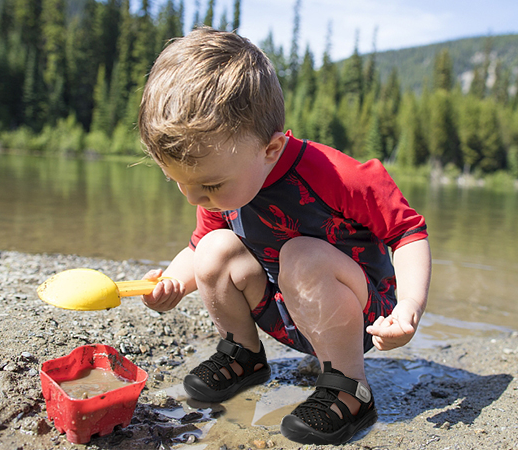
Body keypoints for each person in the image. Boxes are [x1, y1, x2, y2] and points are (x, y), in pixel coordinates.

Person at [137, 27, 431, 446]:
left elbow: (408, 232)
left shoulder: (338, 176)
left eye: (210, 186)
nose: (194, 198)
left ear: (270, 150)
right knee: (213, 249)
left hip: (362, 316)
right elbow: (196, 247)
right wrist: (172, 282)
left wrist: (408, 309)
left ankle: (350, 387)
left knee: (302, 255)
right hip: (288, 307)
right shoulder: (218, 182)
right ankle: (243, 355)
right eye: (178, 182)